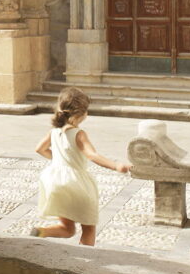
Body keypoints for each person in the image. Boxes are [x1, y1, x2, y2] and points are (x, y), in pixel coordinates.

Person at [31, 87, 131, 246]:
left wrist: (61, 161)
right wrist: (116, 166)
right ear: (81, 113)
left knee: (67, 229)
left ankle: (41, 232)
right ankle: (85, 262)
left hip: (54, 181)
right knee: (89, 229)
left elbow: (39, 149)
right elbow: (92, 155)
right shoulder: (79, 133)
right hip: (76, 184)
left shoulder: (55, 131)